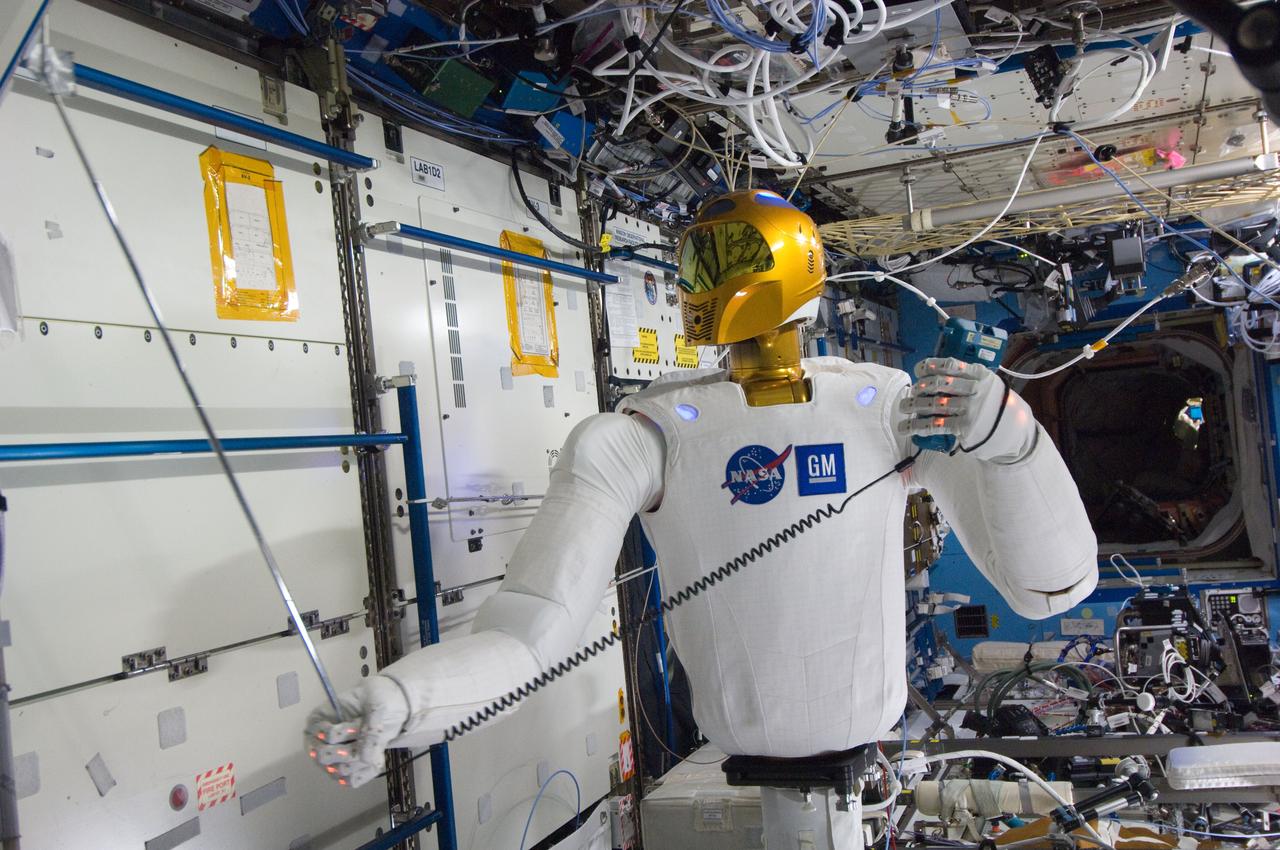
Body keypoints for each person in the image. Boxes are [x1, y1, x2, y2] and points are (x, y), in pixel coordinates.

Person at [306, 190, 1098, 847]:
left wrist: (1008, 436)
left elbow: (1049, 588)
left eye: (725, 263)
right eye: (697, 265)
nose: (705, 286)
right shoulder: (644, 435)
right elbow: (529, 626)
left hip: (835, 727)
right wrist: (404, 704)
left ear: (794, 272)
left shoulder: (885, 407)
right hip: (755, 733)